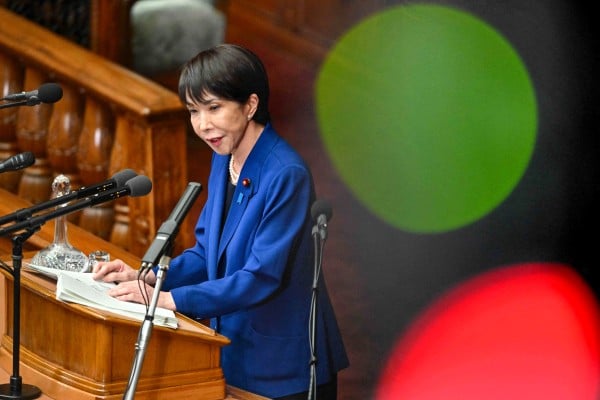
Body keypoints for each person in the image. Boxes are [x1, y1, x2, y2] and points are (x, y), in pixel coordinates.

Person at [93, 43, 349, 399]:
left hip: (283, 366)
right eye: (194, 111)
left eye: (214, 108)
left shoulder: (286, 173)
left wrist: (168, 300)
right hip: (232, 349)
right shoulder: (224, 156)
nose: (203, 125)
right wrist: (147, 276)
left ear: (250, 105)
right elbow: (205, 253)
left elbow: (260, 276)